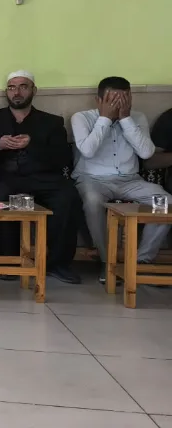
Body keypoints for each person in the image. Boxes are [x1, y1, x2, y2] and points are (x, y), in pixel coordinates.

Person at [0, 70, 82, 284]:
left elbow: (63, 157)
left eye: (23, 87)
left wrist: (32, 144)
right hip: (6, 179)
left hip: (43, 179)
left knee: (68, 197)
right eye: (12, 87)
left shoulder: (51, 122)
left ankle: (58, 264)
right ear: (6, 92)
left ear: (34, 90)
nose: (16, 92)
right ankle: (9, 262)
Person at [72, 77, 171, 280]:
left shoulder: (137, 117)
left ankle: (141, 261)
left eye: (125, 99)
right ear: (99, 100)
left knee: (167, 202)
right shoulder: (81, 118)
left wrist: (126, 120)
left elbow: (146, 153)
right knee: (92, 201)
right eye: (113, 100)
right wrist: (105, 119)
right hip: (92, 179)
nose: (119, 105)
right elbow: (88, 151)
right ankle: (107, 261)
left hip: (130, 181)